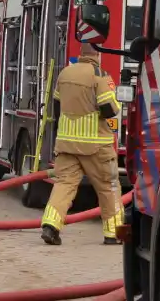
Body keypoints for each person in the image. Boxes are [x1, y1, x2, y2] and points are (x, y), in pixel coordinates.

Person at [40, 42, 123, 246]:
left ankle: (50, 226)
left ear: (81, 53)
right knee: (108, 187)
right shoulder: (99, 75)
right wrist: (119, 102)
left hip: (67, 144)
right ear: (98, 54)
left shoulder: (65, 73)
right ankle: (114, 234)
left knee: (63, 185)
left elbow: (57, 106)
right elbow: (109, 109)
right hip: (96, 146)